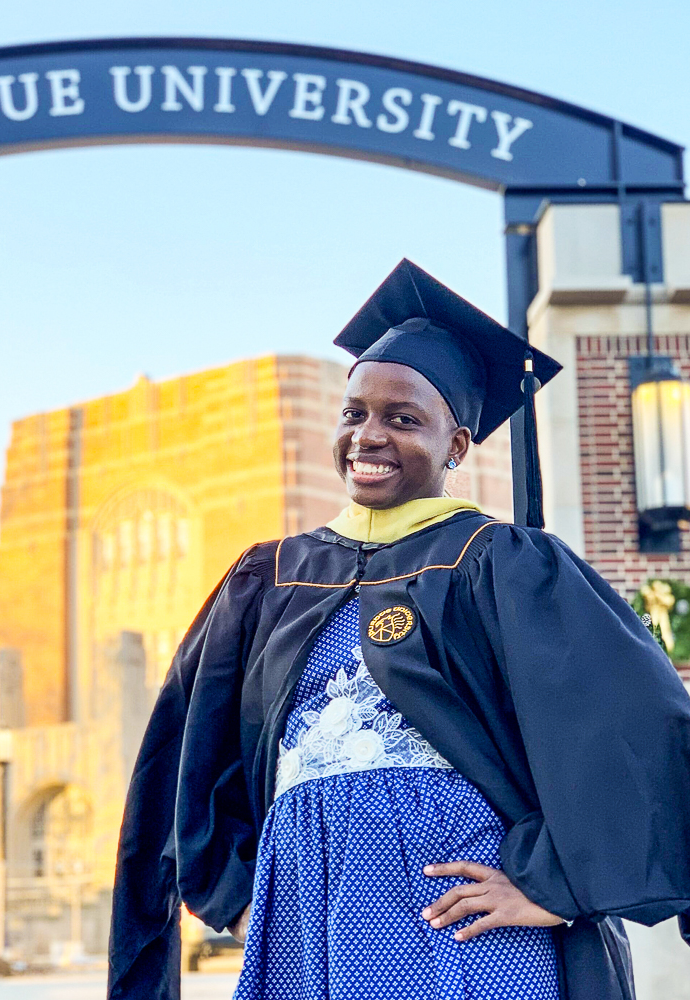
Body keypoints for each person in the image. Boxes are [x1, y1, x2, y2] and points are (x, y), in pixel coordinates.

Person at [107, 259, 690, 1000]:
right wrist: (239, 894)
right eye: (355, 413)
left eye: (404, 419)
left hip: (466, 926)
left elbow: (638, 723)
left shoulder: (503, 563)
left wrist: (555, 883)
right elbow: (187, 744)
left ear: (456, 445)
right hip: (305, 920)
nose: (369, 436)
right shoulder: (271, 575)